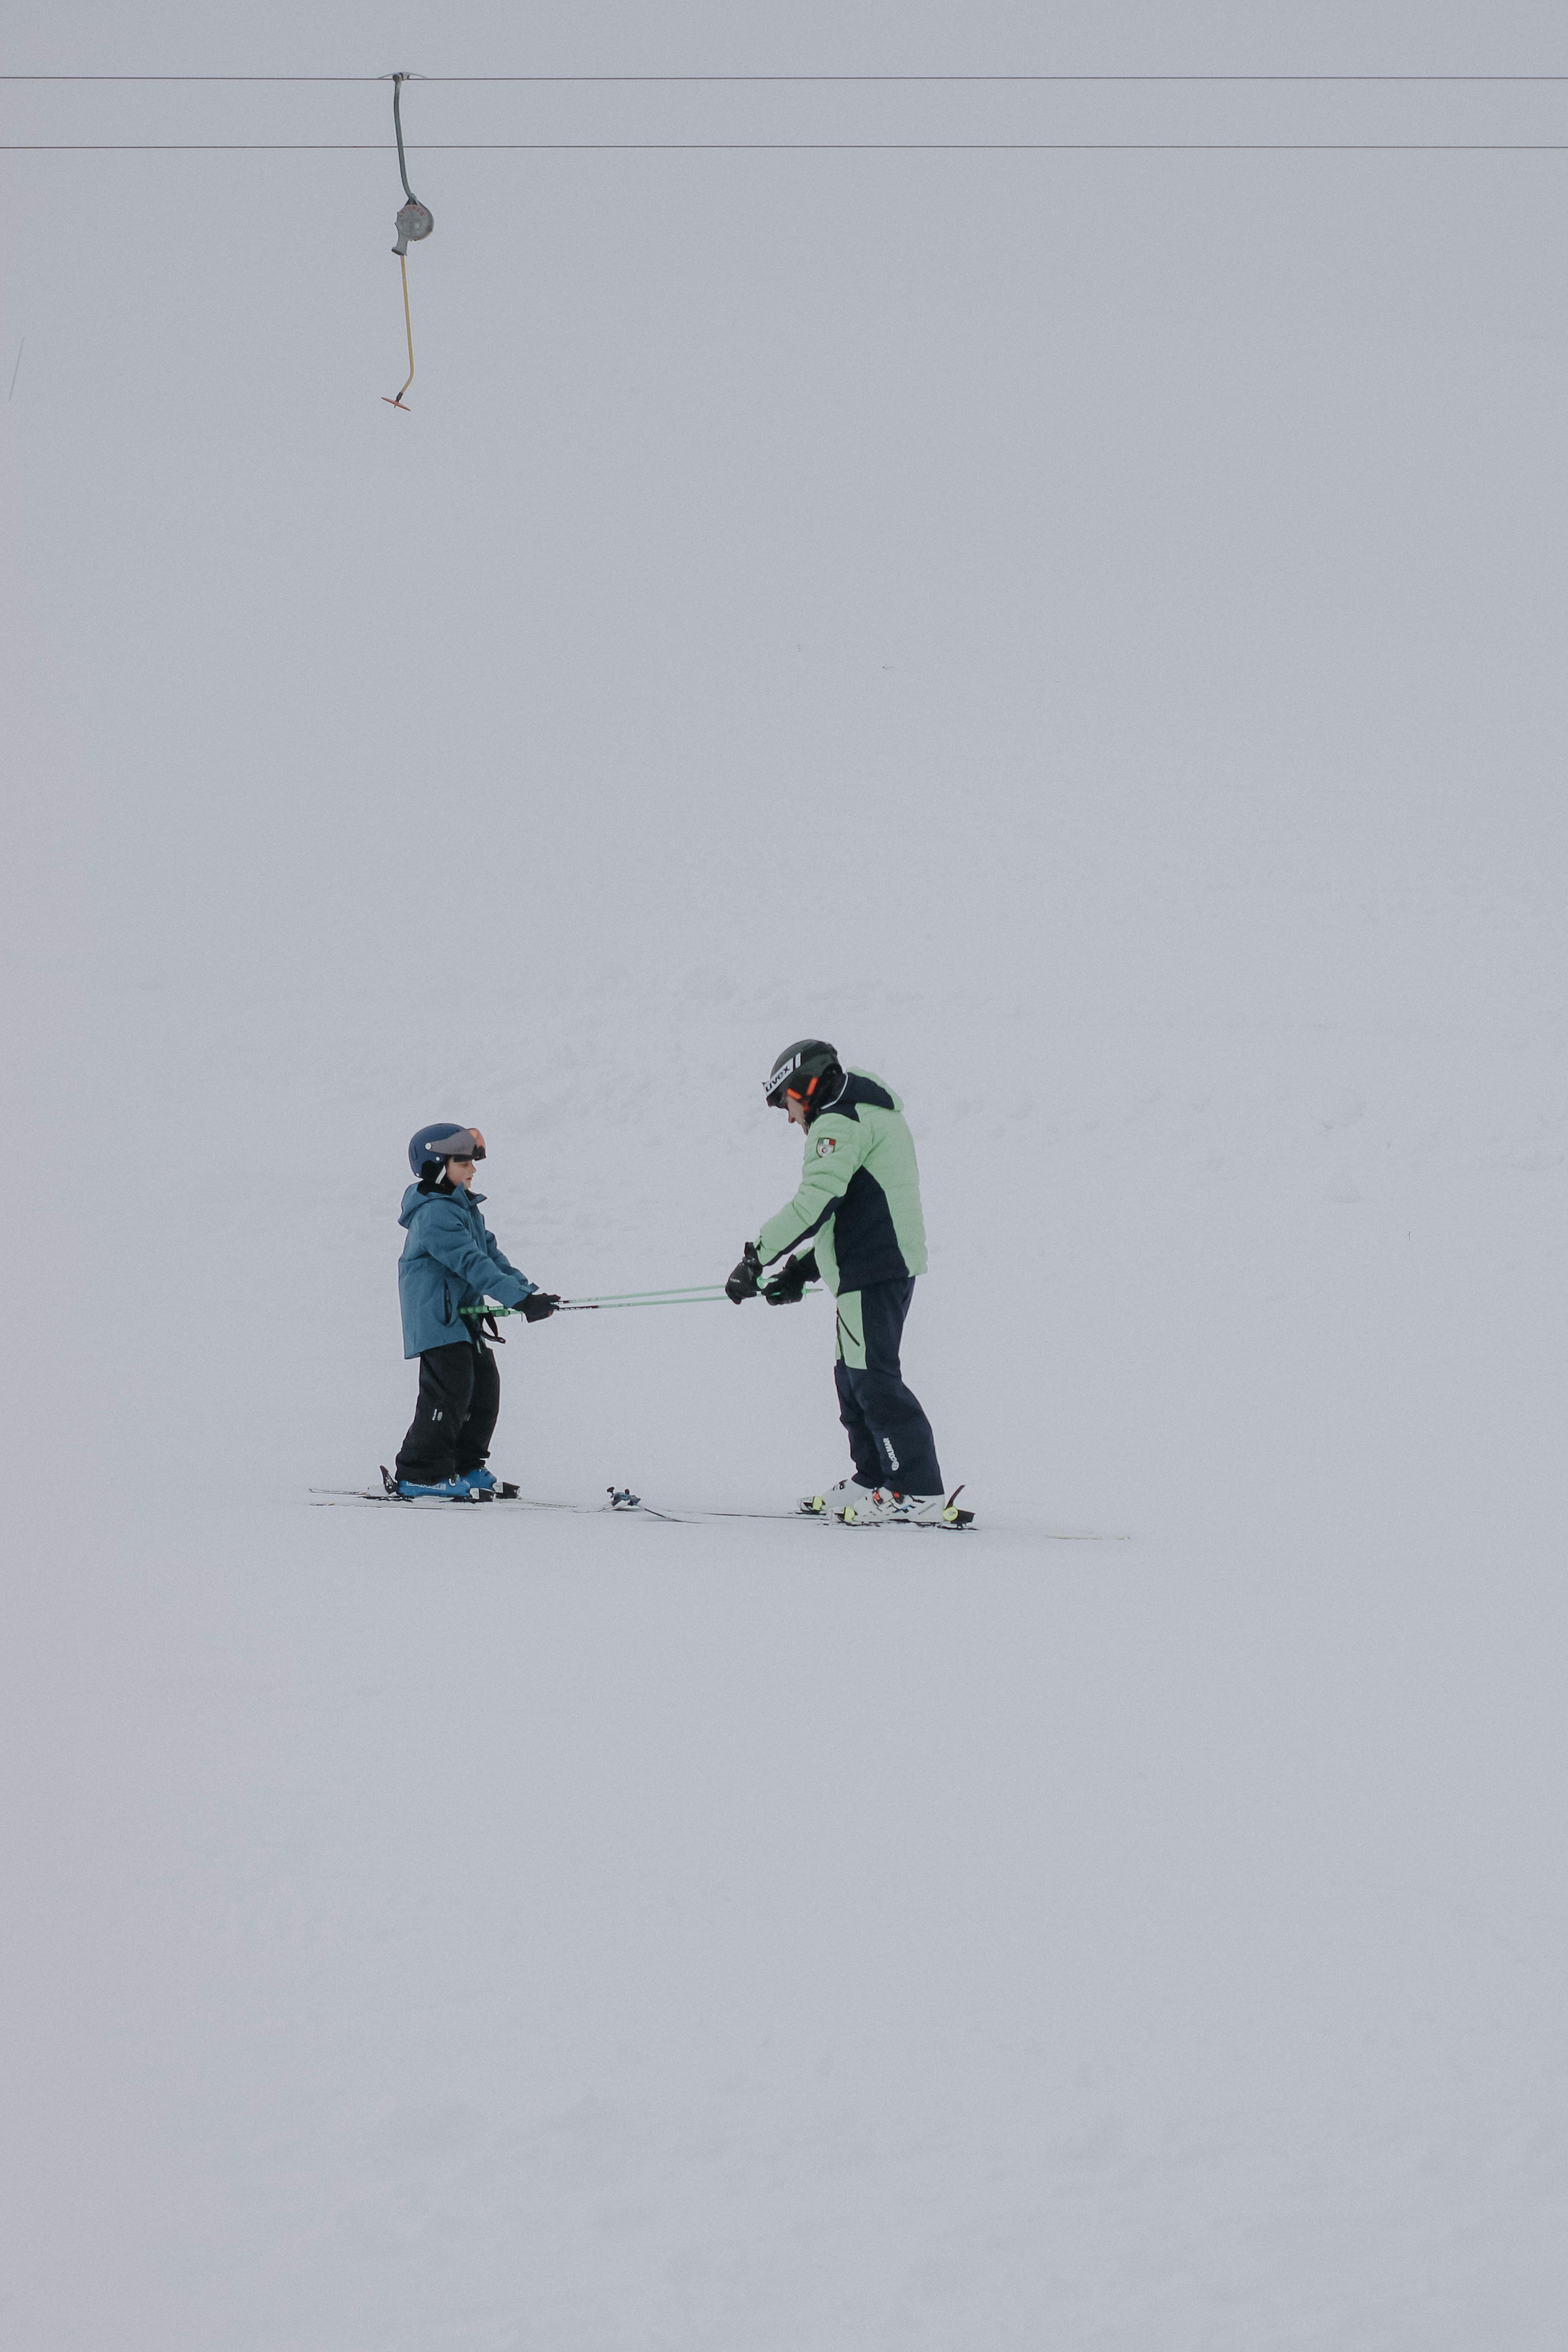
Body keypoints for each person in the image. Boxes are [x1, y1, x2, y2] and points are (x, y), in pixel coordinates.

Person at [725, 1041, 962, 1525]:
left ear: (804, 1088)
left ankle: (914, 1489)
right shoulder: (864, 1115)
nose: (790, 1119)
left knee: (873, 1379)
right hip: (872, 1264)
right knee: (852, 1378)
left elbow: (814, 1203)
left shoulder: (838, 1123)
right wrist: (800, 1271)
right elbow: (855, 1209)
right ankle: (874, 1476)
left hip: (872, 1269)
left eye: (785, 1105)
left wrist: (756, 1258)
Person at [390, 1124, 558, 1501]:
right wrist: (518, 1300)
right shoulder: (434, 1215)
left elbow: (491, 1257)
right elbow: (470, 1264)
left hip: (464, 1318)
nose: (472, 1169)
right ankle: (421, 1473)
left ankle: (465, 1466)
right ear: (437, 1165)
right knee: (448, 1395)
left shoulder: (465, 1208)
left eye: (472, 1160)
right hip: (439, 1319)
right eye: (462, 1161)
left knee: (484, 1391)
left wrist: (529, 1294)